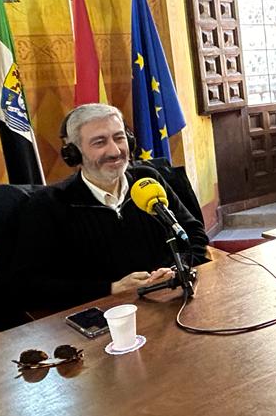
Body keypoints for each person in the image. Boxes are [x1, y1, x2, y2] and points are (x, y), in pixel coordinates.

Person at [13, 103, 210, 315]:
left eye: (119, 138)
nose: (115, 151)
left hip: (168, 303)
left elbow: (193, 235)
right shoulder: (49, 204)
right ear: (74, 153)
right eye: (99, 142)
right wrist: (112, 288)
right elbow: (30, 285)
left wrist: (174, 270)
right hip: (103, 317)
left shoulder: (148, 180)